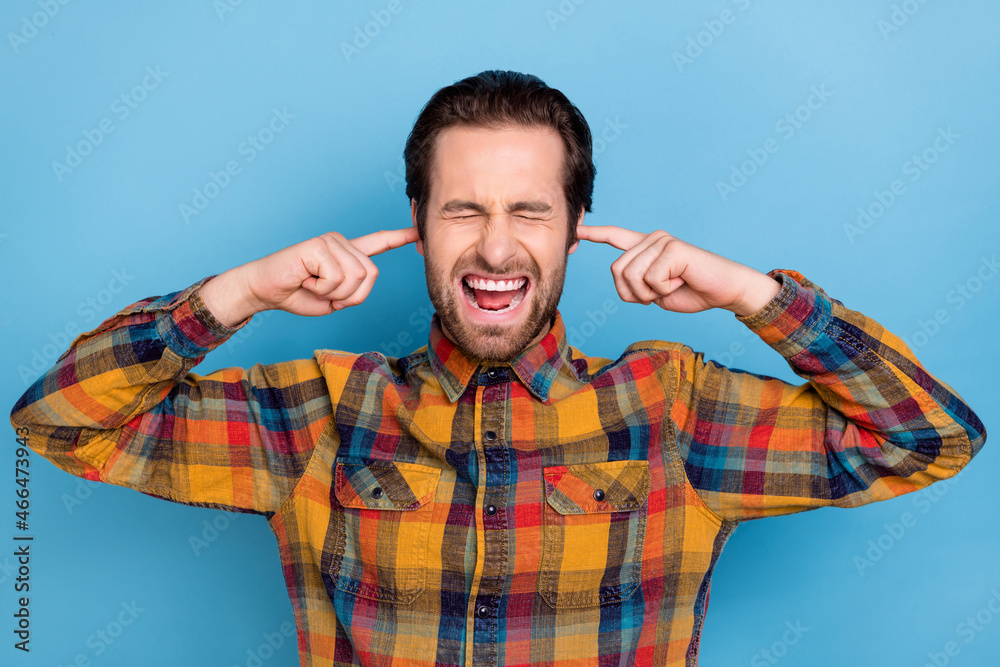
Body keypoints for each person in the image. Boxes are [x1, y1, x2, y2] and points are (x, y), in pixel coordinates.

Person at [11, 70, 986, 666]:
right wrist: (238, 291)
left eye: (528, 211)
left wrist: (751, 295)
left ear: (572, 230)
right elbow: (61, 420)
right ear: (419, 227)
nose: (494, 246)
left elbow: (926, 437)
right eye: (462, 209)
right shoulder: (321, 407)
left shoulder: (671, 406)